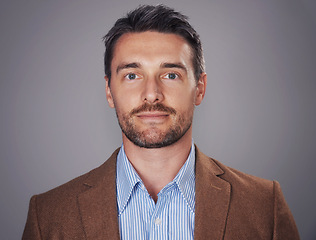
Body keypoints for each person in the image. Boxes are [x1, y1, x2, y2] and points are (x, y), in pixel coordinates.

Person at [22, 4, 300, 239]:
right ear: (109, 91)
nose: (152, 94)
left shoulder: (265, 206)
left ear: (199, 88)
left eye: (170, 75)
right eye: (132, 75)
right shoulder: (47, 216)